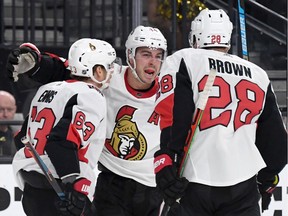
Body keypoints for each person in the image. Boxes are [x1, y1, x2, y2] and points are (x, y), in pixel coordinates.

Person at [7, 25, 168, 216]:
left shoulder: (169, 89)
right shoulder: (107, 77)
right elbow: (68, 68)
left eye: (158, 55)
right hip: (111, 180)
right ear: (131, 55)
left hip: (152, 184)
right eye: (146, 54)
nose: (153, 62)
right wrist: (38, 65)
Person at [153, 8, 287, 216]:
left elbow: (174, 115)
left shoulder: (184, 59)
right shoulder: (258, 74)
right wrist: (268, 178)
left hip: (194, 181)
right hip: (244, 187)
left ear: (196, 36)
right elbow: (277, 142)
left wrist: (166, 158)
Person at [11, 38, 118, 216]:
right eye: (108, 66)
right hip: (61, 191)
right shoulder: (90, 95)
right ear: (97, 71)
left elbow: (21, 136)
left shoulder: (46, 89)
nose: (112, 71)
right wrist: (73, 187)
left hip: (32, 188)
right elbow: (60, 142)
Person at [0, 90, 17, 156]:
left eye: (9, 110)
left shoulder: (20, 136)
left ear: (15, 109)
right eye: (0, 109)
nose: (5, 114)